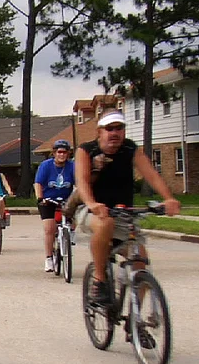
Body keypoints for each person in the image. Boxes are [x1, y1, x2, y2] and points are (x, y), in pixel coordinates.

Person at [75, 110, 180, 303]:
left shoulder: (130, 149)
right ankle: (99, 279)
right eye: (109, 128)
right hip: (93, 211)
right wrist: (92, 203)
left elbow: (151, 174)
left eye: (119, 128)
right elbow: (81, 181)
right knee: (105, 224)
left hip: (124, 215)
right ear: (100, 131)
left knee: (140, 266)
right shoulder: (86, 150)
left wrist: (168, 198)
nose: (115, 133)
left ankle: (135, 324)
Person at [35, 139, 75, 272]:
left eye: (65, 152)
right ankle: (49, 258)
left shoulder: (72, 166)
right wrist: (40, 198)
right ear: (54, 153)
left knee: (78, 211)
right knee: (49, 229)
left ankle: (70, 234)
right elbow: (38, 184)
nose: (62, 155)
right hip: (48, 200)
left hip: (66, 199)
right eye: (59, 152)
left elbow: (79, 183)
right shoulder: (46, 165)